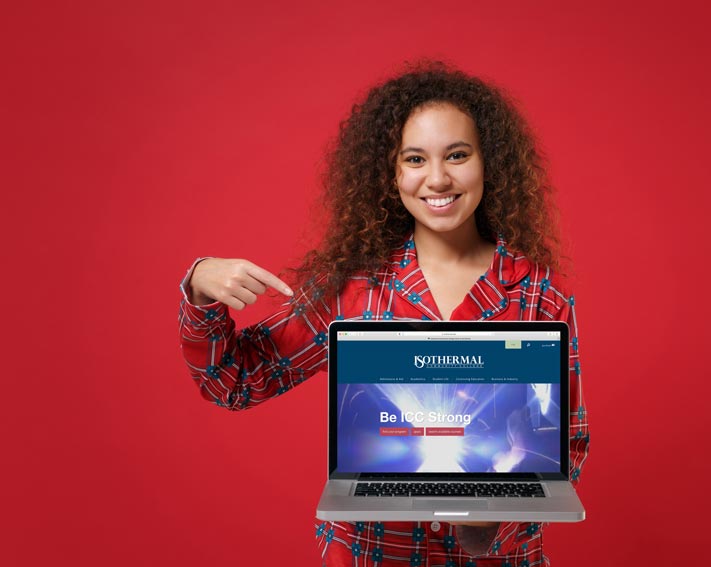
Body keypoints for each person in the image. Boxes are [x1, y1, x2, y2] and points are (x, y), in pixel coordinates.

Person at [177, 60, 589, 567]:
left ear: (489, 163)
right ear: (391, 173)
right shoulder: (352, 290)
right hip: (373, 555)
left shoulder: (538, 294)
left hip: (499, 559)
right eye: (415, 159)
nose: (437, 179)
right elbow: (232, 382)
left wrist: (496, 507)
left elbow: (567, 438)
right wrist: (201, 288)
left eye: (457, 155)